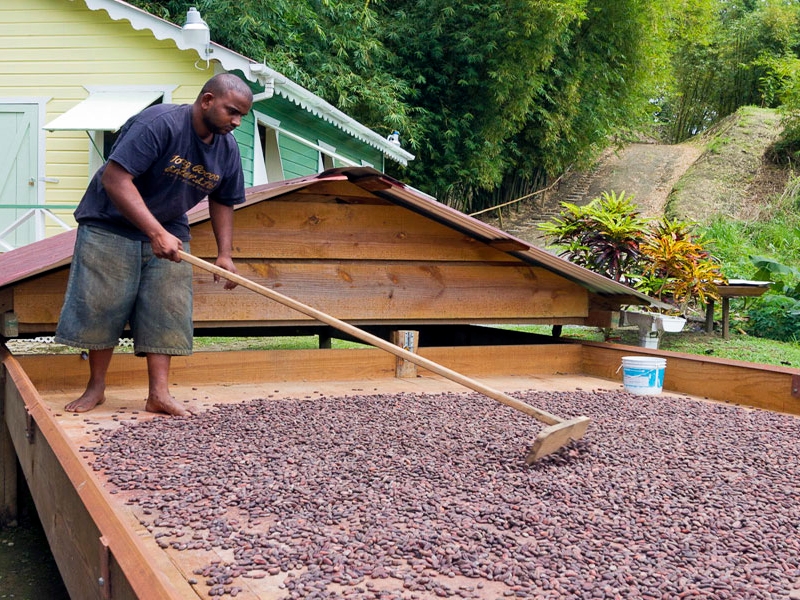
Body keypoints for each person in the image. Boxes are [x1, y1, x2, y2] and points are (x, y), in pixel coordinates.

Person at [54, 74, 254, 416]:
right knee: (103, 305)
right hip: (109, 222)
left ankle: (158, 394)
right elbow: (114, 178)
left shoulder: (227, 148)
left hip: (170, 226)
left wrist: (224, 254)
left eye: (241, 116)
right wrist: (153, 231)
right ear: (207, 100)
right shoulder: (159, 124)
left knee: (167, 308)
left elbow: (224, 200)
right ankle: (96, 388)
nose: (236, 122)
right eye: (231, 112)